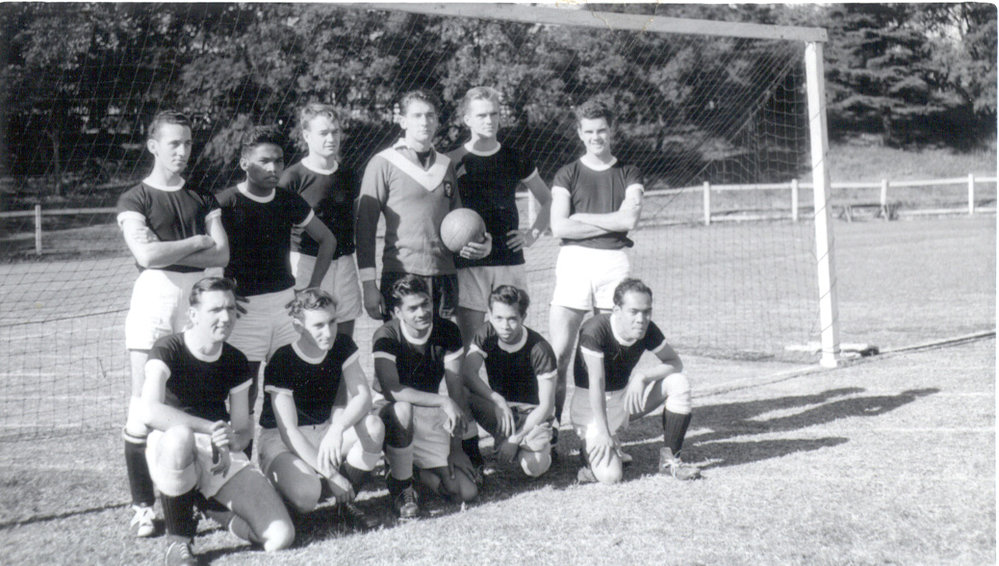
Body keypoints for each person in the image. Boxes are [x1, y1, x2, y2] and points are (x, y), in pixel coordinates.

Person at [116, 110, 230, 537]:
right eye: (173, 144)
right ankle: (143, 505)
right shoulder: (134, 198)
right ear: (153, 146)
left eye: (187, 144)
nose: (182, 152)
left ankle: (190, 494)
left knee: (191, 400)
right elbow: (146, 257)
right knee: (143, 407)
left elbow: (221, 254)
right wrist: (197, 241)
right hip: (154, 297)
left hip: (196, 297)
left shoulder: (203, 197)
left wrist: (181, 249)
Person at [140, 277, 294, 565]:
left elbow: (242, 427)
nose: (226, 317)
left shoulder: (236, 360)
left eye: (231, 309)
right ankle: (178, 542)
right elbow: (150, 412)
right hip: (170, 445)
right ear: (193, 314)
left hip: (216, 450)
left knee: (280, 537)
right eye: (215, 310)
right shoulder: (168, 348)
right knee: (180, 436)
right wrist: (210, 429)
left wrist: (233, 440)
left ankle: (209, 505)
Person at [548, 99, 645, 451]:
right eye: (588, 131)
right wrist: (606, 220)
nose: (596, 137)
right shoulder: (567, 173)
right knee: (558, 354)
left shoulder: (629, 172)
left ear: (612, 129)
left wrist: (581, 219)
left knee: (611, 352)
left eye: (601, 130)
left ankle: (608, 433)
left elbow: (628, 221)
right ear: (579, 133)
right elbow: (558, 225)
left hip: (613, 263)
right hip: (573, 262)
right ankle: (551, 433)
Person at [217, 125, 337, 405]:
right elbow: (209, 254)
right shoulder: (226, 203)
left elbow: (327, 239)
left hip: (285, 306)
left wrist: (313, 286)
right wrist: (225, 291)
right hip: (245, 311)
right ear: (244, 163)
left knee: (288, 389)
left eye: (279, 161)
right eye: (264, 161)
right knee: (244, 392)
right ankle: (240, 448)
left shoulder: (287, 200)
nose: (273, 168)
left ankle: (282, 448)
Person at [356, 88, 491, 323]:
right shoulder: (383, 163)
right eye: (417, 115)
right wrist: (369, 285)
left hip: (444, 274)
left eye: (430, 115)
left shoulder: (446, 165)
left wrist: (483, 242)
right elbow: (365, 229)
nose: (424, 121)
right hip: (402, 274)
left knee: (442, 355)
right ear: (402, 121)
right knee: (405, 355)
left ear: (437, 120)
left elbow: (461, 221)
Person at [258, 289, 383, 529]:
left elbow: (363, 397)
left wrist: (337, 428)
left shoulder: (342, 345)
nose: (328, 332)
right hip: (280, 441)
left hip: (324, 430)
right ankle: (282, 493)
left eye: (332, 322)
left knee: (374, 427)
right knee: (306, 495)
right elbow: (289, 432)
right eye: (318, 326)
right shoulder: (282, 360)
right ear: (298, 326)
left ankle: (344, 504)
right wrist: (332, 474)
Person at [445, 86, 551, 345]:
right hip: (469, 263)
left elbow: (548, 200)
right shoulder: (450, 160)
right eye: (481, 115)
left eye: (494, 114)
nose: (489, 120)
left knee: (510, 340)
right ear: (467, 119)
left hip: (508, 259)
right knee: (472, 344)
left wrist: (530, 236)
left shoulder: (515, 157)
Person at [570, 278, 700, 485]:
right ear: (616, 310)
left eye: (647, 311)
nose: (641, 319)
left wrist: (643, 377)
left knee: (678, 382)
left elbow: (675, 362)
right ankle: (589, 454)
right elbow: (597, 383)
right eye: (634, 311)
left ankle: (670, 461)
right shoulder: (595, 329)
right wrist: (603, 433)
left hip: (622, 400)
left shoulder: (647, 328)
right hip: (591, 407)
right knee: (611, 476)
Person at [372, 275, 478, 520]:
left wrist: (456, 448)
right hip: (391, 410)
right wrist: (443, 402)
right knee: (403, 409)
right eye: (412, 308)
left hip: (427, 408)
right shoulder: (386, 334)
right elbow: (392, 390)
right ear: (398, 312)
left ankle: (419, 473)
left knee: (465, 491)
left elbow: (454, 389)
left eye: (425, 303)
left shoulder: (447, 330)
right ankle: (402, 485)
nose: (422, 312)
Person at [279, 103, 364, 337]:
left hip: (345, 263)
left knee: (344, 339)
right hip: (305, 264)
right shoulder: (292, 178)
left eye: (335, 131)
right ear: (307, 136)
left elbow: (354, 222)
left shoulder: (349, 175)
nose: (331, 138)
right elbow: (278, 233)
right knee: (308, 338)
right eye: (323, 133)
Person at [460, 285, 557, 478]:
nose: (504, 326)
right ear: (489, 314)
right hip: (501, 411)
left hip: (532, 414)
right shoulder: (486, 333)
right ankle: (472, 453)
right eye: (498, 318)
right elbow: (467, 373)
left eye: (512, 319)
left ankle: (542, 441)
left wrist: (515, 438)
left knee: (533, 467)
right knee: (462, 392)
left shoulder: (540, 349)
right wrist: (497, 400)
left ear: (523, 317)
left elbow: (547, 405)